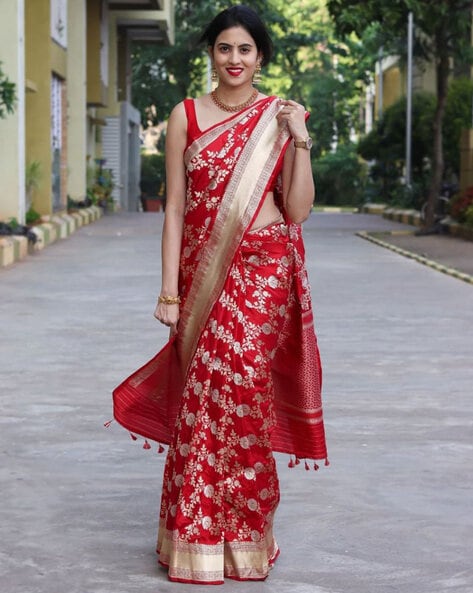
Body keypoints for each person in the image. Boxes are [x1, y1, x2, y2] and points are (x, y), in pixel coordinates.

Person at [113, 4, 328, 585]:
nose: (235, 59)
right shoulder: (186, 115)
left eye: (246, 50)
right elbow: (176, 209)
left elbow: (299, 210)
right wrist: (167, 291)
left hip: (264, 270)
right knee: (202, 396)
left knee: (241, 389)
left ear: (261, 57)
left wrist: (300, 139)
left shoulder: (279, 117)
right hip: (203, 278)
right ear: (210, 53)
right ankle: (198, 537)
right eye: (225, 48)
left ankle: (249, 534)